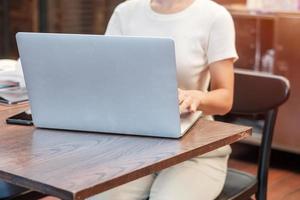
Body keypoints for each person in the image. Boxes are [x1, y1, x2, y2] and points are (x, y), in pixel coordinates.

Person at [89, 0, 238, 199]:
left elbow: (225, 99)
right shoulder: (125, 12)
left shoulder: (214, 16)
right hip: (133, 146)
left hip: (194, 149)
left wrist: (198, 96)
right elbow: (107, 79)